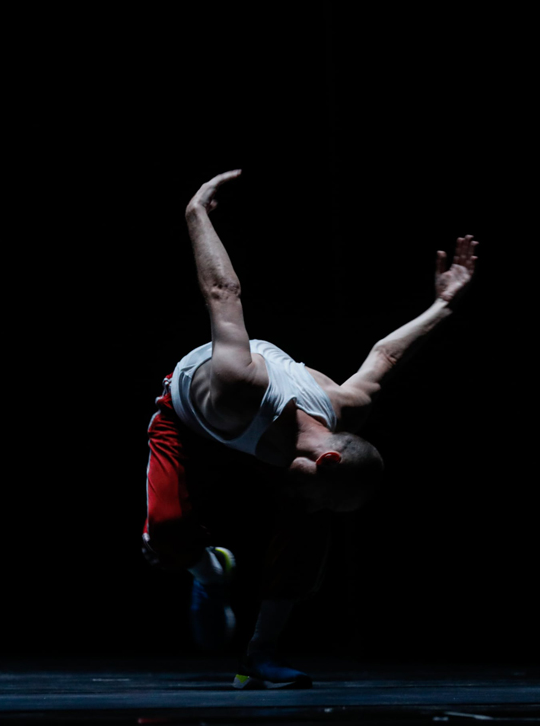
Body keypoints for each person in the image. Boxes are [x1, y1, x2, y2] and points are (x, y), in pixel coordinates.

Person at [142, 169, 478, 689]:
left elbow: (385, 354)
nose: (317, 504)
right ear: (328, 459)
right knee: (164, 534)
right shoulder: (238, 382)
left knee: (304, 528)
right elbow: (222, 291)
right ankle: (208, 572)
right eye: (327, 495)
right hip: (190, 419)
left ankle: (259, 655)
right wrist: (194, 216)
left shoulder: (346, 408)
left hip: (262, 437)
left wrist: (443, 305)